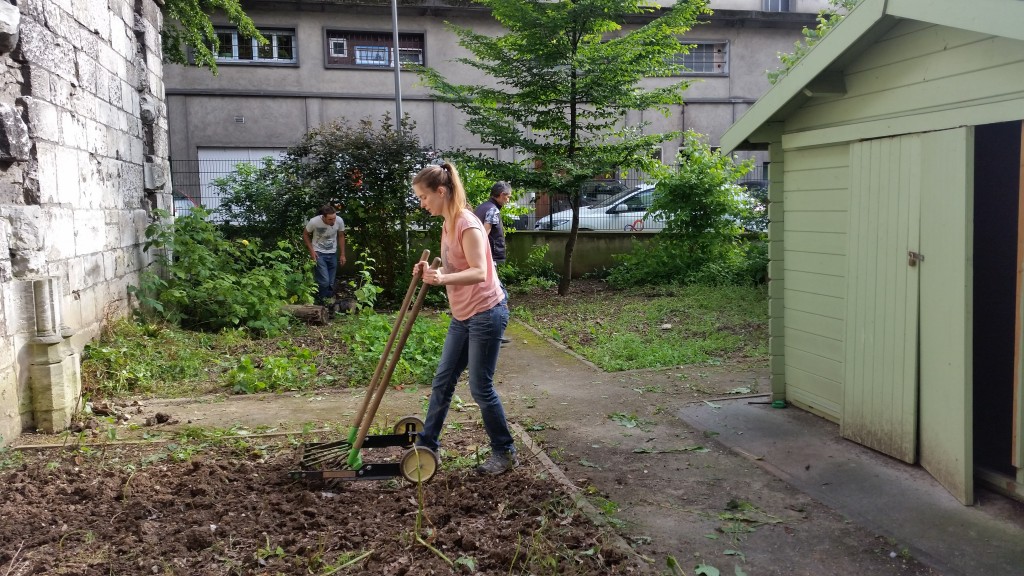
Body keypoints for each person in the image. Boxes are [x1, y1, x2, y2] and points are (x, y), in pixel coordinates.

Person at [412, 162, 517, 475]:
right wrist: (432, 271)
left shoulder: (467, 224)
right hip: (463, 314)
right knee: (443, 381)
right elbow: (456, 267)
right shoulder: (447, 223)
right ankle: (427, 445)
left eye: (424, 197)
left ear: (441, 192)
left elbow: (479, 271)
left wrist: (442, 279)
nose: (422, 204)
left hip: (486, 311)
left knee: (480, 387)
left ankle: (504, 451)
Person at [474, 181, 513, 344]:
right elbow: (483, 235)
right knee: (499, 296)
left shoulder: (481, 208)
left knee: (486, 296)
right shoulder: (492, 210)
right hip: (488, 259)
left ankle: (487, 332)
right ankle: (496, 335)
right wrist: (483, 257)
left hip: (481, 259)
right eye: (508, 197)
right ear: (502, 195)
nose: (508, 200)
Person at [303, 204, 347, 310]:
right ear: (323, 217)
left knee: (331, 283)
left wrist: (342, 254)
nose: (333, 221)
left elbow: (341, 236)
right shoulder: (314, 222)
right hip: (319, 253)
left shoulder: (339, 221)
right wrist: (312, 251)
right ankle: (321, 302)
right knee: (324, 281)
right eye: (330, 219)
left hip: (332, 253)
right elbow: (305, 235)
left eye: (334, 218)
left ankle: (327, 305)